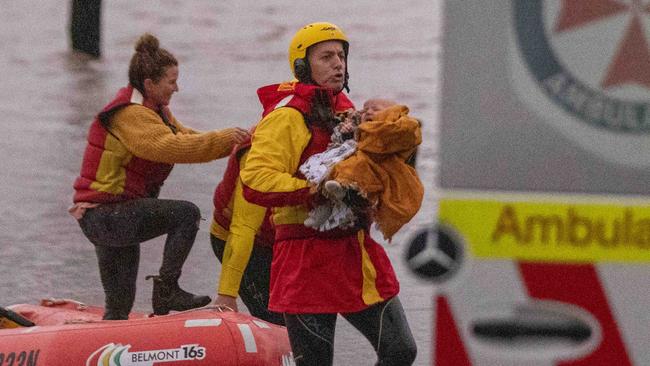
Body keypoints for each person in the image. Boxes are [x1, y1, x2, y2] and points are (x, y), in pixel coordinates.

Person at [239, 22, 418, 365]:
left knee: (400, 351)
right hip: (305, 261)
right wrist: (314, 190)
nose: (338, 63)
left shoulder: (348, 113)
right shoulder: (286, 117)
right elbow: (255, 180)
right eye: (326, 57)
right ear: (303, 67)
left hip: (356, 255)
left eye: (341, 55)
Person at [70, 33, 250, 320]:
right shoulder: (130, 115)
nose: (176, 88)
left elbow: (187, 136)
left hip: (111, 216)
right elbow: (172, 147)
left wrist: (239, 139)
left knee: (119, 306)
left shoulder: (154, 110)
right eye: (171, 81)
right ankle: (167, 288)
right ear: (149, 84)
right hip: (106, 216)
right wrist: (227, 139)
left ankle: (110, 347)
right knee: (186, 214)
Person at [301, 99, 423, 241]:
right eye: (365, 110)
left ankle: (342, 195)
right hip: (360, 165)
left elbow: (404, 134)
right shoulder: (359, 126)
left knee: (357, 174)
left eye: (375, 109)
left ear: (392, 113)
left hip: (382, 171)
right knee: (338, 168)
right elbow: (350, 133)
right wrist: (349, 132)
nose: (368, 112)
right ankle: (327, 206)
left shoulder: (399, 127)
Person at [209, 134, 285, 325]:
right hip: (244, 243)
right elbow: (243, 228)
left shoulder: (328, 139)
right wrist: (227, 293)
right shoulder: (258, 155)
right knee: (276, 318)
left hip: (282, 244)